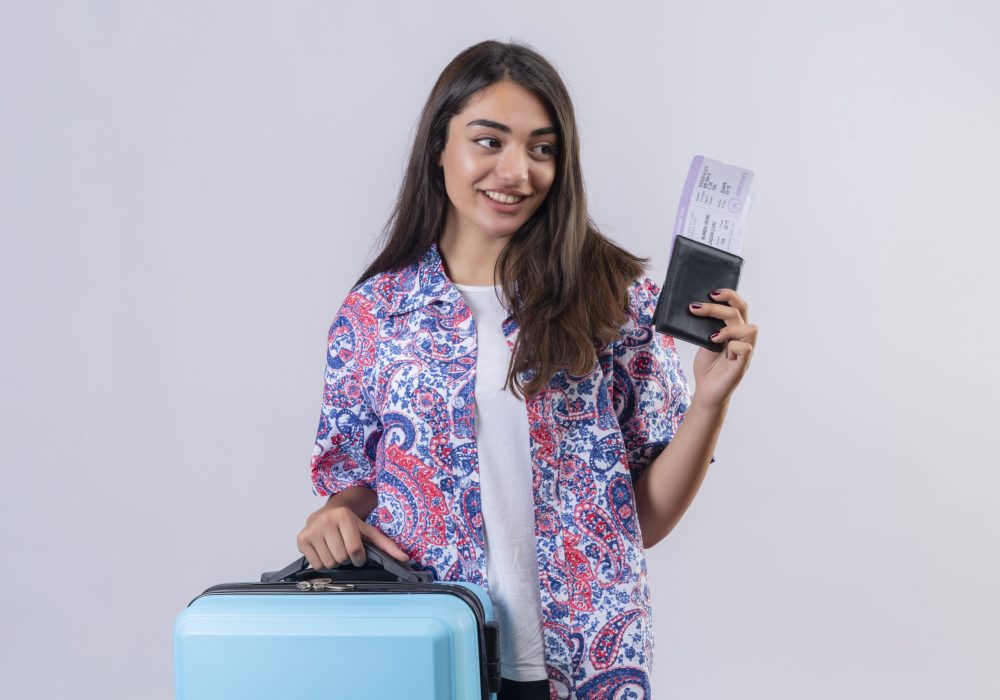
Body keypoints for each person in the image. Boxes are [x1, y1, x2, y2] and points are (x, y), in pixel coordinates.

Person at [296, 39, 757, 700]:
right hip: (435, 661)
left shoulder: (614, 301)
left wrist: (710, 400)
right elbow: (357, 486)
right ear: (439, 145)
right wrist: (333, 515)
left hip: (588, 666)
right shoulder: (374, 315)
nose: (517, 172)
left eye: (543, 148)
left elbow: (642, 521)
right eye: (490, 141)